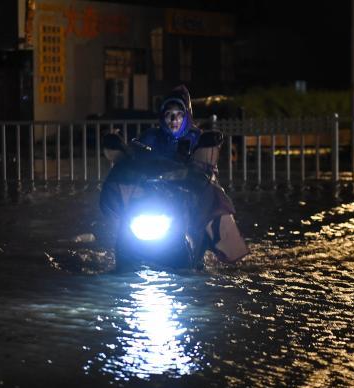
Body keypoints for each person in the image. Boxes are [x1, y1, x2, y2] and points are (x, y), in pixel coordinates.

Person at [100, 85, 248, 264]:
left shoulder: (197, 137)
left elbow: (206, 167)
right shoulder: (149, 137)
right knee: (123, 225)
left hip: (187, 198)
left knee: (215, 210)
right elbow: (132, 157)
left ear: (186, 116)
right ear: (162, 116)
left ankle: (225, 256)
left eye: (179, 113)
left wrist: (200, 170)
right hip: (151, 196)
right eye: (169, 113)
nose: (173, 119)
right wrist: (123, 155)